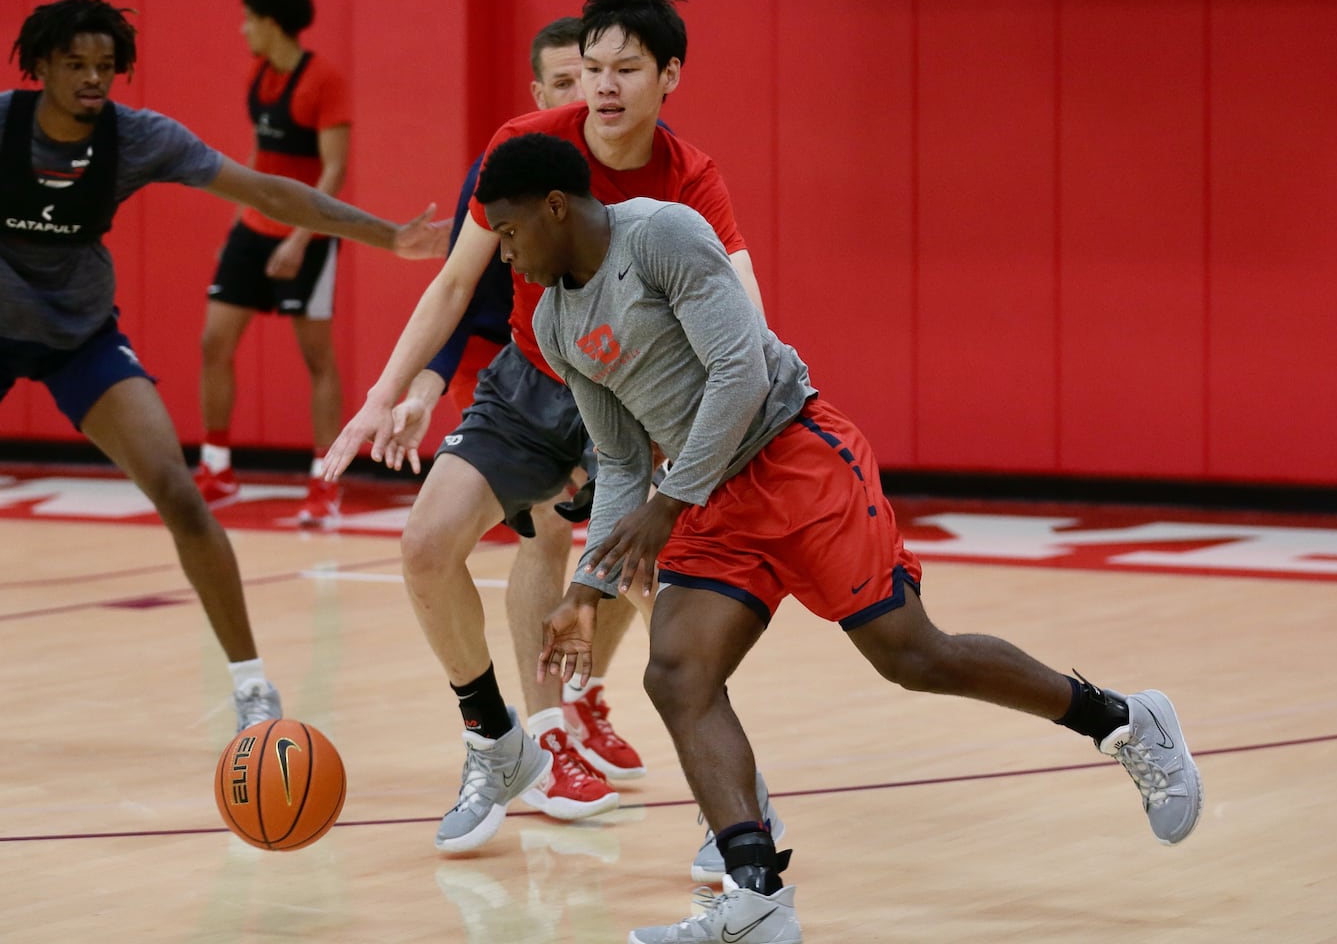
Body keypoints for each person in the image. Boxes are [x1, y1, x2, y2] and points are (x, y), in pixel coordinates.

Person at [473, 132, 1205, 943]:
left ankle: (1124, 720)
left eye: (507, 233)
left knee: (911, 656)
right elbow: (615, 458)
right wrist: (588, 589)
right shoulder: (553, 318)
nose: (504, 255)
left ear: (552, 207)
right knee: (677, 673)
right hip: (707, 496)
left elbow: (741, 372)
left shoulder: (662, 235)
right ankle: (755, 897)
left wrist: (668, 499)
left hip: (793, 455)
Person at [0, 0, 447, 771]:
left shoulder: (138, 138)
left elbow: (260, 188)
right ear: (42, 66)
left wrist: (386, 235)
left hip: (80, 341)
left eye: (106, 66)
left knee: (177, 491)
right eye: (77, 64)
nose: (94, 78)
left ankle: (253, 689)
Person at [323, 0, 779, 865]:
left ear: (668, 77)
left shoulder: (688, 177)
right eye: (592, 67)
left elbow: (743, 307)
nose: (603, 85)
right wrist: (388, 390)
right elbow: (456, 281)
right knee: (424, 544)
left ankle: (739, 814)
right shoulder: (525, 146)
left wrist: (738, 415)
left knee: (662, 600)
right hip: (534, 379)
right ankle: (498, 742)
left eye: (625, 69)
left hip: (643, 398)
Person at [410, 16, 648, 803]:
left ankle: (578, 695)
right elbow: (458, 285)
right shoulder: (515, 161)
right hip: (505, 359)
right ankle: (543, 736)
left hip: (599, 367)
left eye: (599, 78)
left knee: (621, 545)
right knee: (549, 529)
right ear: (540, 91)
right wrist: (416, 381)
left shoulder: (629, 174)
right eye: (568, 81)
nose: (587, 94)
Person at [193, 0, 351, 525]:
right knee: (214, 341)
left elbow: (335, 168)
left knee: (317, 359)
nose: (242, 29)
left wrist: (299, 238)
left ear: (271, 22)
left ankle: (325, 482)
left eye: (247, 19)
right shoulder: (259, 75)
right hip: (253, 230)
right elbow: (260, 158)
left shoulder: (324, 79)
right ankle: (216, 469)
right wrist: (242, 222)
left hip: (306, 236)